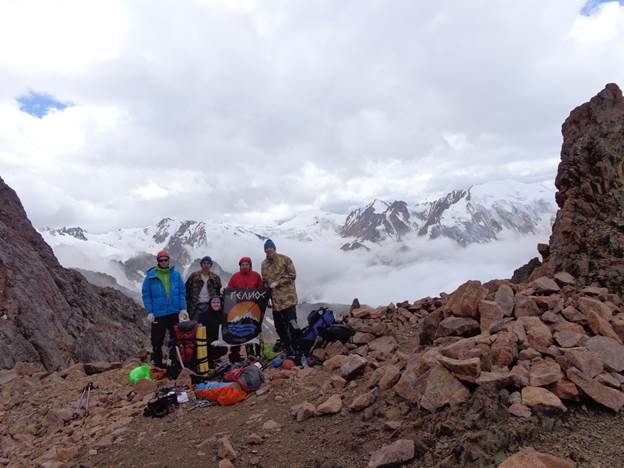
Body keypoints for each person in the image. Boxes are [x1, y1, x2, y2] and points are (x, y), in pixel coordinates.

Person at [142, 250, 188, 368]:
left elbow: (181, 292)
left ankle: (174, 362)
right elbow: (146, 295)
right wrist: (150, 311)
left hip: (174, 312)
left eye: (165, 260)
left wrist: (183, 308)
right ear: (158, 261)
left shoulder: (176, 275)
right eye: (161, 260)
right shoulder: (151, 276)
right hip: (159, 313)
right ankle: (157, 364)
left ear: (168, 260)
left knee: (176, 338)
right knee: (157, 341)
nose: (163, 262)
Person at [260, 239, 301, 355]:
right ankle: (288, 348)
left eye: (270, 248)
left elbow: (292, 275)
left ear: (274, 248)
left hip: (287, 299)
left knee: (292, 324)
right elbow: (264, 281)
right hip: (275, 302)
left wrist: (278, 282)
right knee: (279, 327)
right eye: (266, 249)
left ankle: (298, 348)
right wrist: (266, 295)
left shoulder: (285, 259)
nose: (268, 250)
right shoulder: (264, 264)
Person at [227, 256, 264, 358]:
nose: (244, 266)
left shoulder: (256, 276)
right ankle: (250, 353)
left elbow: (261, 290)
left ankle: (259, 352)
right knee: (244, 330)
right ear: (240, 266)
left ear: (250, 265)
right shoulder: (235, 277)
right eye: (243, 265)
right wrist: (225, 292)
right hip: (240, 310)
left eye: (247, 265)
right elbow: (230, 290)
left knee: (256, 330)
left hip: (254, 309)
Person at [185, 256, 222, 321]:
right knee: (196, 327)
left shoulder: (215, 277)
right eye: (204, 263)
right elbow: (186, 289)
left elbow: (218, 292)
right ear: (201, 264)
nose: (206, 265)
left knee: (210, 327)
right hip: (196, 307)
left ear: (211, 265)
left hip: (210, 307)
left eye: (208, 263)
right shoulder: (194, 276)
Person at [196, 295, 228, 368]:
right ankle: (209, 360)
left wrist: (222, 340)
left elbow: (227, 329)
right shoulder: (203, 315)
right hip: (207, 341)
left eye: (218, 302)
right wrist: (209, 341)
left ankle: (216, 358)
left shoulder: (224, 315)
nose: (216, 304)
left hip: (219, 340)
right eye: (213, 302)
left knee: (223, 349)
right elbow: (200, 332)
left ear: (221, 304)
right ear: (210, 304)